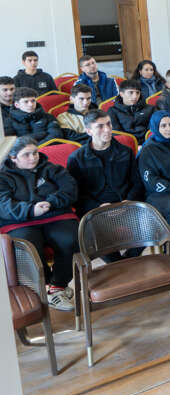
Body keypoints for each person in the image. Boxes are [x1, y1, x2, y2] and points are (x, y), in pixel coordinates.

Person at [0, 137, 78, 310]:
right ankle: (46, 288)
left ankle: (57, 286)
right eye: (26, 154)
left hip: (55, 214)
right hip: (20, 221)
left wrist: (51, 202)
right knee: (28, 246)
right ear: (13, 158)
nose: (33, 157)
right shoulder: (3, 176)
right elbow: (3, 205)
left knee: (70, 239)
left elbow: (70, 189)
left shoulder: (53, 169)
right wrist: (31, 210)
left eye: (35, 152)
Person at [67, 110, 144, 217]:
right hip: (94, 210)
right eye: (100, 126)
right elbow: (75, 193)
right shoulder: (76, 158)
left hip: (126, 205)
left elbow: (137, 183)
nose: (107, 130)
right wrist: (97, 207)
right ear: (89, 131)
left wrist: (128, 201)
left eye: (109, 124)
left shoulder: (126, 152)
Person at [109, 79, 153, 143]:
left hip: (147, 143)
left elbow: (152, 131)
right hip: (125, 145)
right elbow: (116, 133)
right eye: (131, 92)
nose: (135, 96)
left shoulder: (150, 109)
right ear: (121, 94)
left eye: (137, 93)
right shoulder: (112, 111)